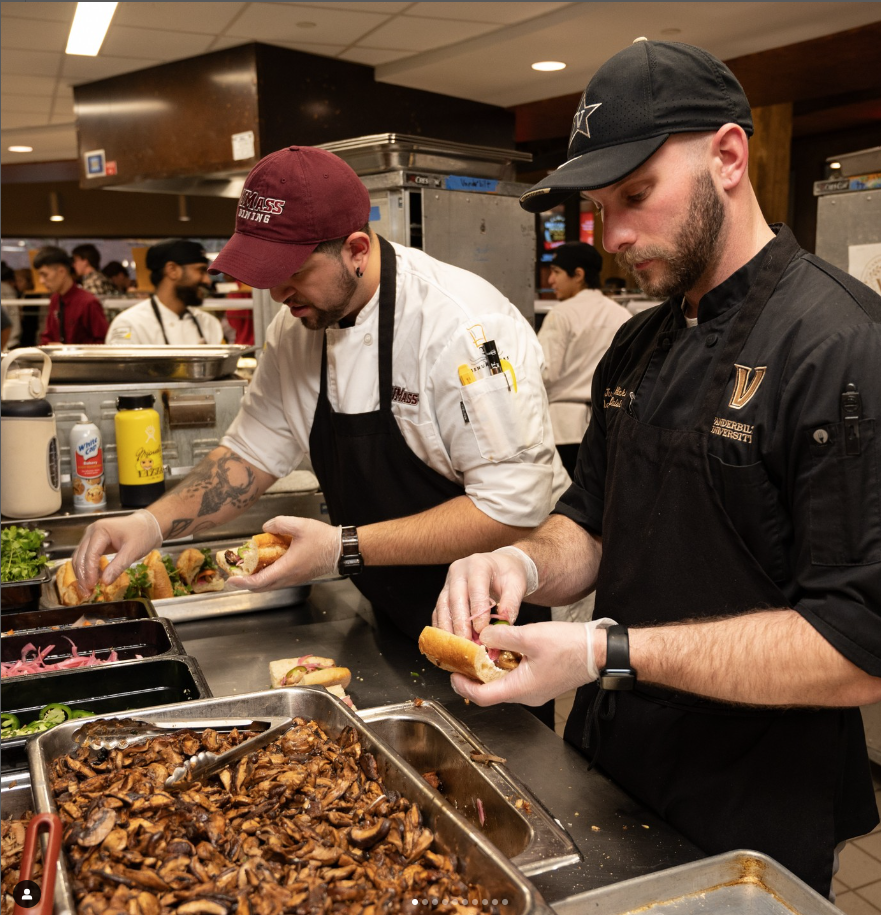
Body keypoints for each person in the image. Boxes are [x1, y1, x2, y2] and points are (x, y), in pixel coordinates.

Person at [432, 39, 881, 896]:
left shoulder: (842, 346)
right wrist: (520, 561)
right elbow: (592, 522)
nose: (615, 236)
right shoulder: (637, 345)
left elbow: (855, 646)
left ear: (726, 157)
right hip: (614, 763)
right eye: (601, 208)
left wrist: (606, 646)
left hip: (756, 797)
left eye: (636, 195)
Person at [71, 146, 569, 723]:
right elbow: (249, 455)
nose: (278, 296)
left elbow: (514, 509)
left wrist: (341, 550)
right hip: (389, 611)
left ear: (356, 249)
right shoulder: (296, 328)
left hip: (487, 626)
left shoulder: (466, 330)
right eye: (266, 279)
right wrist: (150, 523)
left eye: (293, 275)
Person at [537, 242, 629, 476]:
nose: (550, 281)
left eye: (556, 272)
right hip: (610, 426)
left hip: (563, 428)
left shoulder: (562, 314)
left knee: (565, 504)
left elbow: (544, 373)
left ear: (578, 275)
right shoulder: (622, 315)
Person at [105, 240, 224, 345]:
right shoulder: (131, 325)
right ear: (172, 270)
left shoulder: (209, 323)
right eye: (201, 270)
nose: (207, 280)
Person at [35, 246, 108, 345]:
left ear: (62, 272)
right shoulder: (55, 299)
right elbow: (47, 337)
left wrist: (68, 349)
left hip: (81, 360)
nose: (41, 281)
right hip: (57, 359)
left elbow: (103, 342)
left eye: (45, 275)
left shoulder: (88, 302)